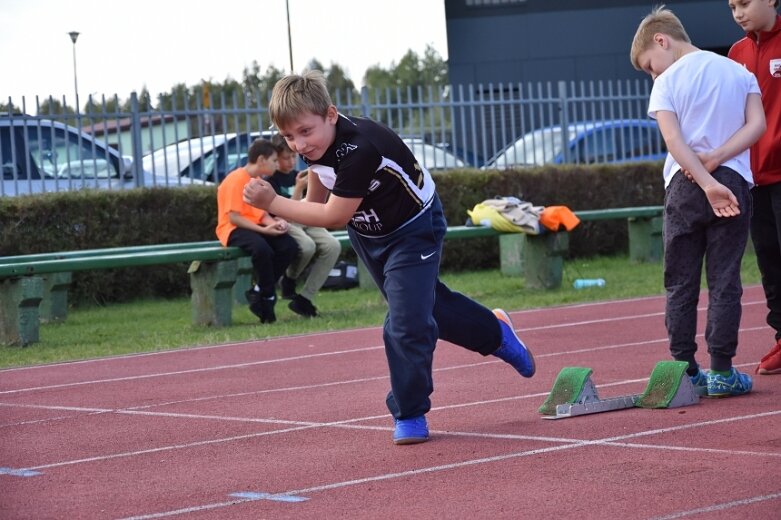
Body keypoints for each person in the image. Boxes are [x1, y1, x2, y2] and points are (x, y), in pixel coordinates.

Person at [243, 70, 536, 445]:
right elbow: (316, 197)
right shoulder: (318, 146)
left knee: (406, 320)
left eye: (304, 132)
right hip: (370, 236)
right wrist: (283, 208)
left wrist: (274, 203)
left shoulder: (360, 148)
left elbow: (333, 217)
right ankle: (497, 333)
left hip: (414, 229)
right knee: (430, 308)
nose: (298, 145)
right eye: (288, 136)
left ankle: (410, 411)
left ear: (331, 115)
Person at [630, 6, 766, 396]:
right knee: (726, 279)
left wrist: (705, 181)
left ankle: (685, 372)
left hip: (687, 185)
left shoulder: (667, 80)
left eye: (649, 66)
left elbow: (673, 141)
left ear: (661, 40)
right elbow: (757, 126)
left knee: (680, 281)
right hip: (733, 182)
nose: (653, 74)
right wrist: (719, 160)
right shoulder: (739, 72)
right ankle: (722, 371)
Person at [728, 0, 781, 375]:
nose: (738, 13)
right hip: (754, 177)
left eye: (744, 3)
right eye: (731, 6)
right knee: (769, 260)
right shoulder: (737, 52)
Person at [216, 138, 299, 324]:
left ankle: (259, 290)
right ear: (261, 160)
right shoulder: (235, 179)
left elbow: (261, 214)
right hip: (234, 229)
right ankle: (268, 297)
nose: (277, 165)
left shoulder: (258, 181)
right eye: (274, 161)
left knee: (289, 246)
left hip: (256, 227)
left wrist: (275, 223)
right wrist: (266, 230)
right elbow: (234, 218)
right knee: (263, 250)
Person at [265, 134, 341, 318]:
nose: (291, 162)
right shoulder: (271, 181)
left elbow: (312, 204)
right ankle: (289, 281)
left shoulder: (298, 176)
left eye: (293, 157)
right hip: (286, 222)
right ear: (275, 157)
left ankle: (305, 298)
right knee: (307, 246)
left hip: (306, 221)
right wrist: (298, 189)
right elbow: (286, 213)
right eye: (285, 158)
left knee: (333, 246)